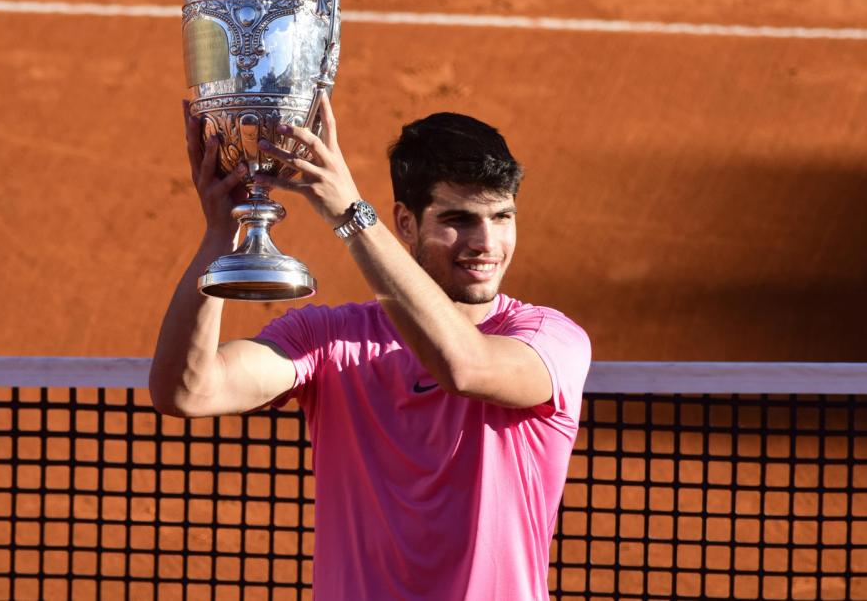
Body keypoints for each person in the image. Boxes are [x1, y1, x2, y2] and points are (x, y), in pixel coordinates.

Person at [149, 95, 591, 600]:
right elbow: (187, 392)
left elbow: (466, 366)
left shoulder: (549, 340)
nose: (486, 243)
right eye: (460, 220)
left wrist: (349, 215)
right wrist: (220, 238)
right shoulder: (326, 343)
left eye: (502, 217)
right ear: (405, 223)